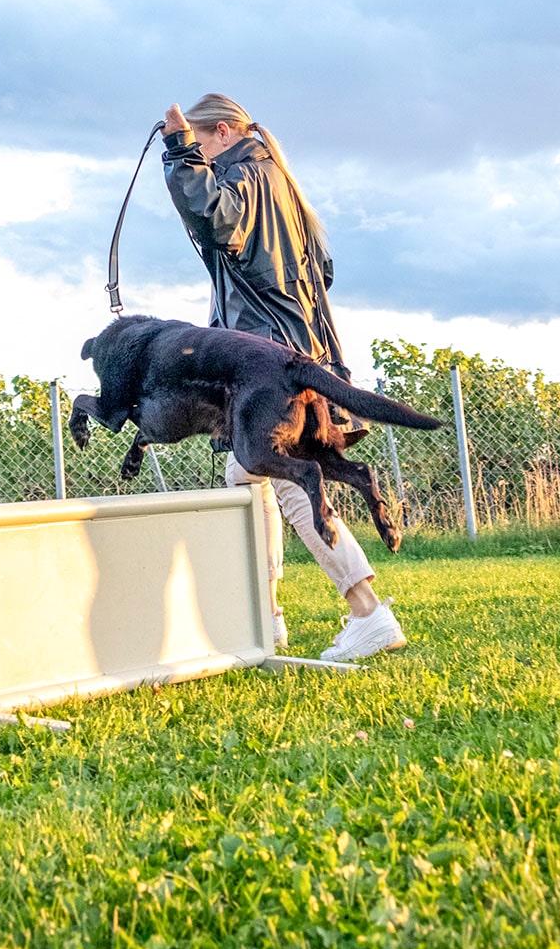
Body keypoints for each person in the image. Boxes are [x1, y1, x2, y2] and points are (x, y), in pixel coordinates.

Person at [161, 93, 406, 662]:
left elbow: (213, 216)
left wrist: (176, 148)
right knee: (247, 477)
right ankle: (265, 616)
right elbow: (321, 270)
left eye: (202, 145)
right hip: (292, 350)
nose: (201, 157)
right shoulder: (280, 185)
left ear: (222, 133)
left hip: (269, 357)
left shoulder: (248, 176)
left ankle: (365, 610)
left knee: (289, 480)